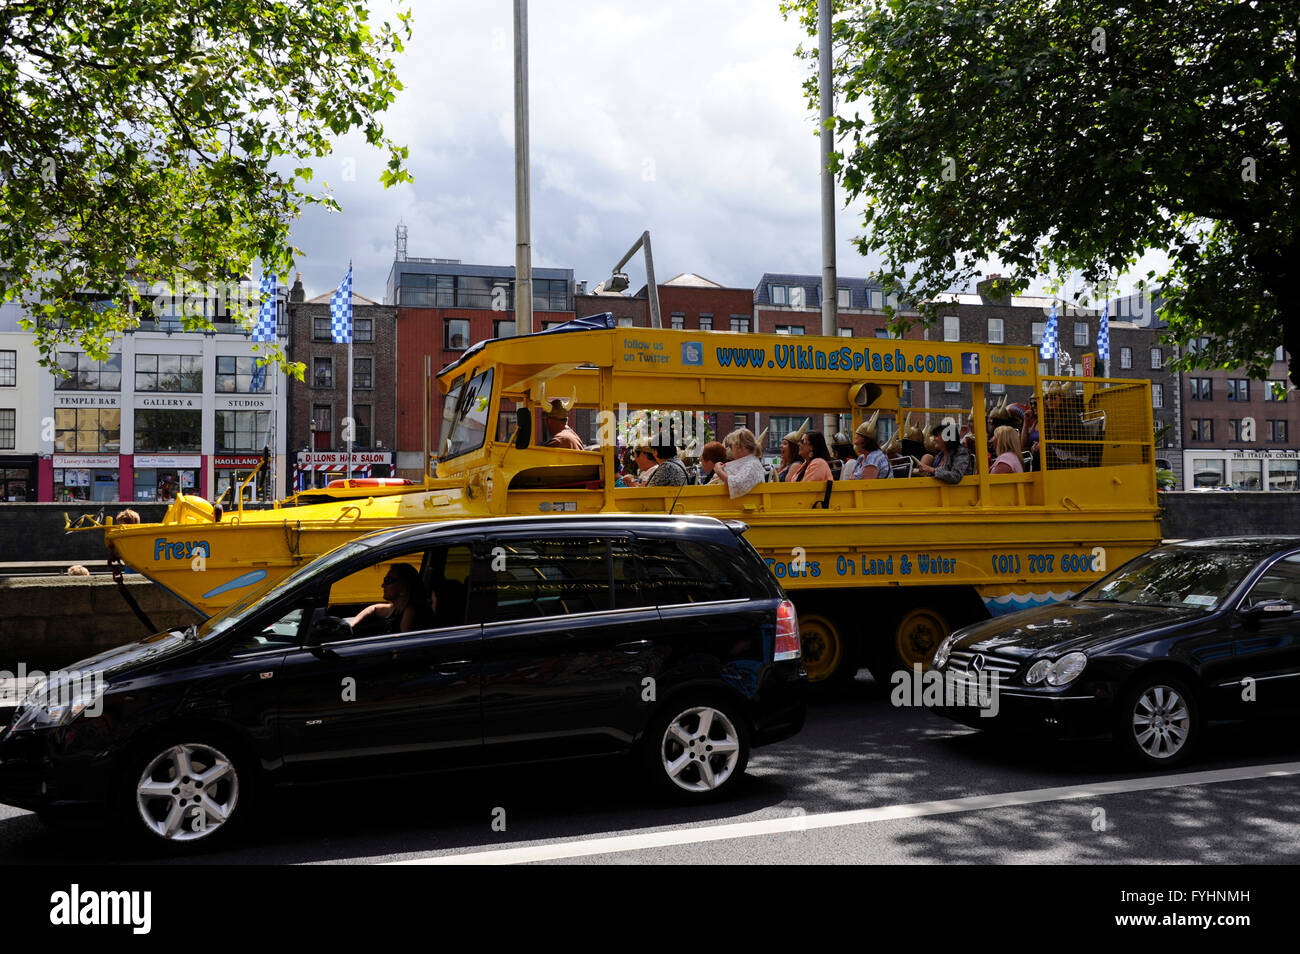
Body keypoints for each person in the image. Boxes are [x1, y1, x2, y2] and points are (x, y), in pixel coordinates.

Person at [349, 563, 434, 634]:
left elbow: (407, 644)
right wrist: (352, 623)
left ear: (403, 586)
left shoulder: (410, 611)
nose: (382, 585)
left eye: (388, 580)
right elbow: (374, 608)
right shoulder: (396, 608)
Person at [715, 428, 767, 498]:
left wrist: (719, 471)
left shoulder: (752, 464)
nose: (730, 450)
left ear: (739, 447)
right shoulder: (749, 462)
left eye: (731, 446)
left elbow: (738, 484)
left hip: (745, 506)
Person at [844, 413, 893, 480]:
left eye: (857, 438)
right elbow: (851, 478)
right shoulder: (861, 457)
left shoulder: (873, 459)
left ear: (866, 441)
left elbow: (866, 485)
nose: (855, 442)